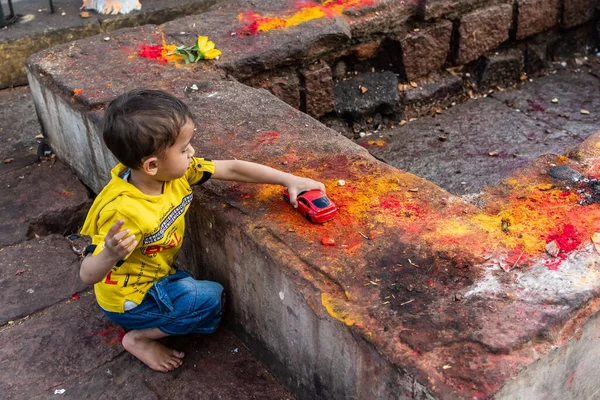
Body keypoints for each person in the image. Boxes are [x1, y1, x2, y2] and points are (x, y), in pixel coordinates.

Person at [80, 89, 325, 372]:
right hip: (131, 301)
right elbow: (87, 274)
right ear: (151, 165)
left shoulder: (173, 173)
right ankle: (139, 338)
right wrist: (110, 253)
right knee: (210, 299)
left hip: (156, 278)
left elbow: (232, 169)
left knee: (200, 293)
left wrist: (288, 179)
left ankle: (163, 308)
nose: (192, 152)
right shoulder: (126, 213)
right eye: (184, 150)